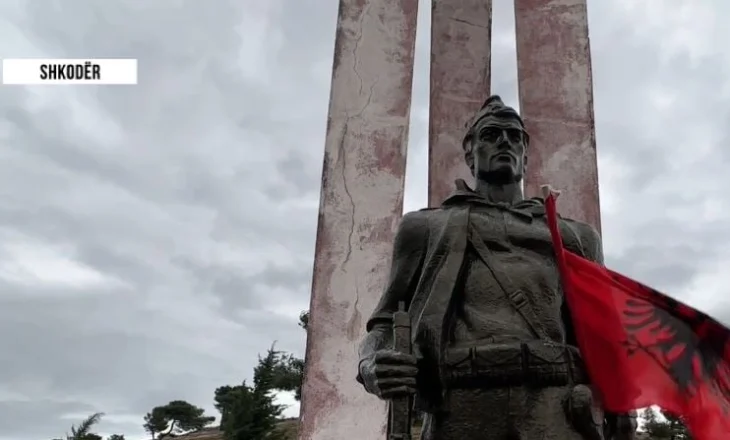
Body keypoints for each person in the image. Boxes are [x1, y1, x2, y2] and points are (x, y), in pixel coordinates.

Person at [356, 96, 636, 439]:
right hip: (463, 402)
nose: (505, 141)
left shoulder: (576, 236)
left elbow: (602, 330)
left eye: (515, 136)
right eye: (491, 134)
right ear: (469, 155)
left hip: (553, 403)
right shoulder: (425, 228)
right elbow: (386, 320)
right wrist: (372, 364)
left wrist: (621, 402)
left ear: (526, 155)